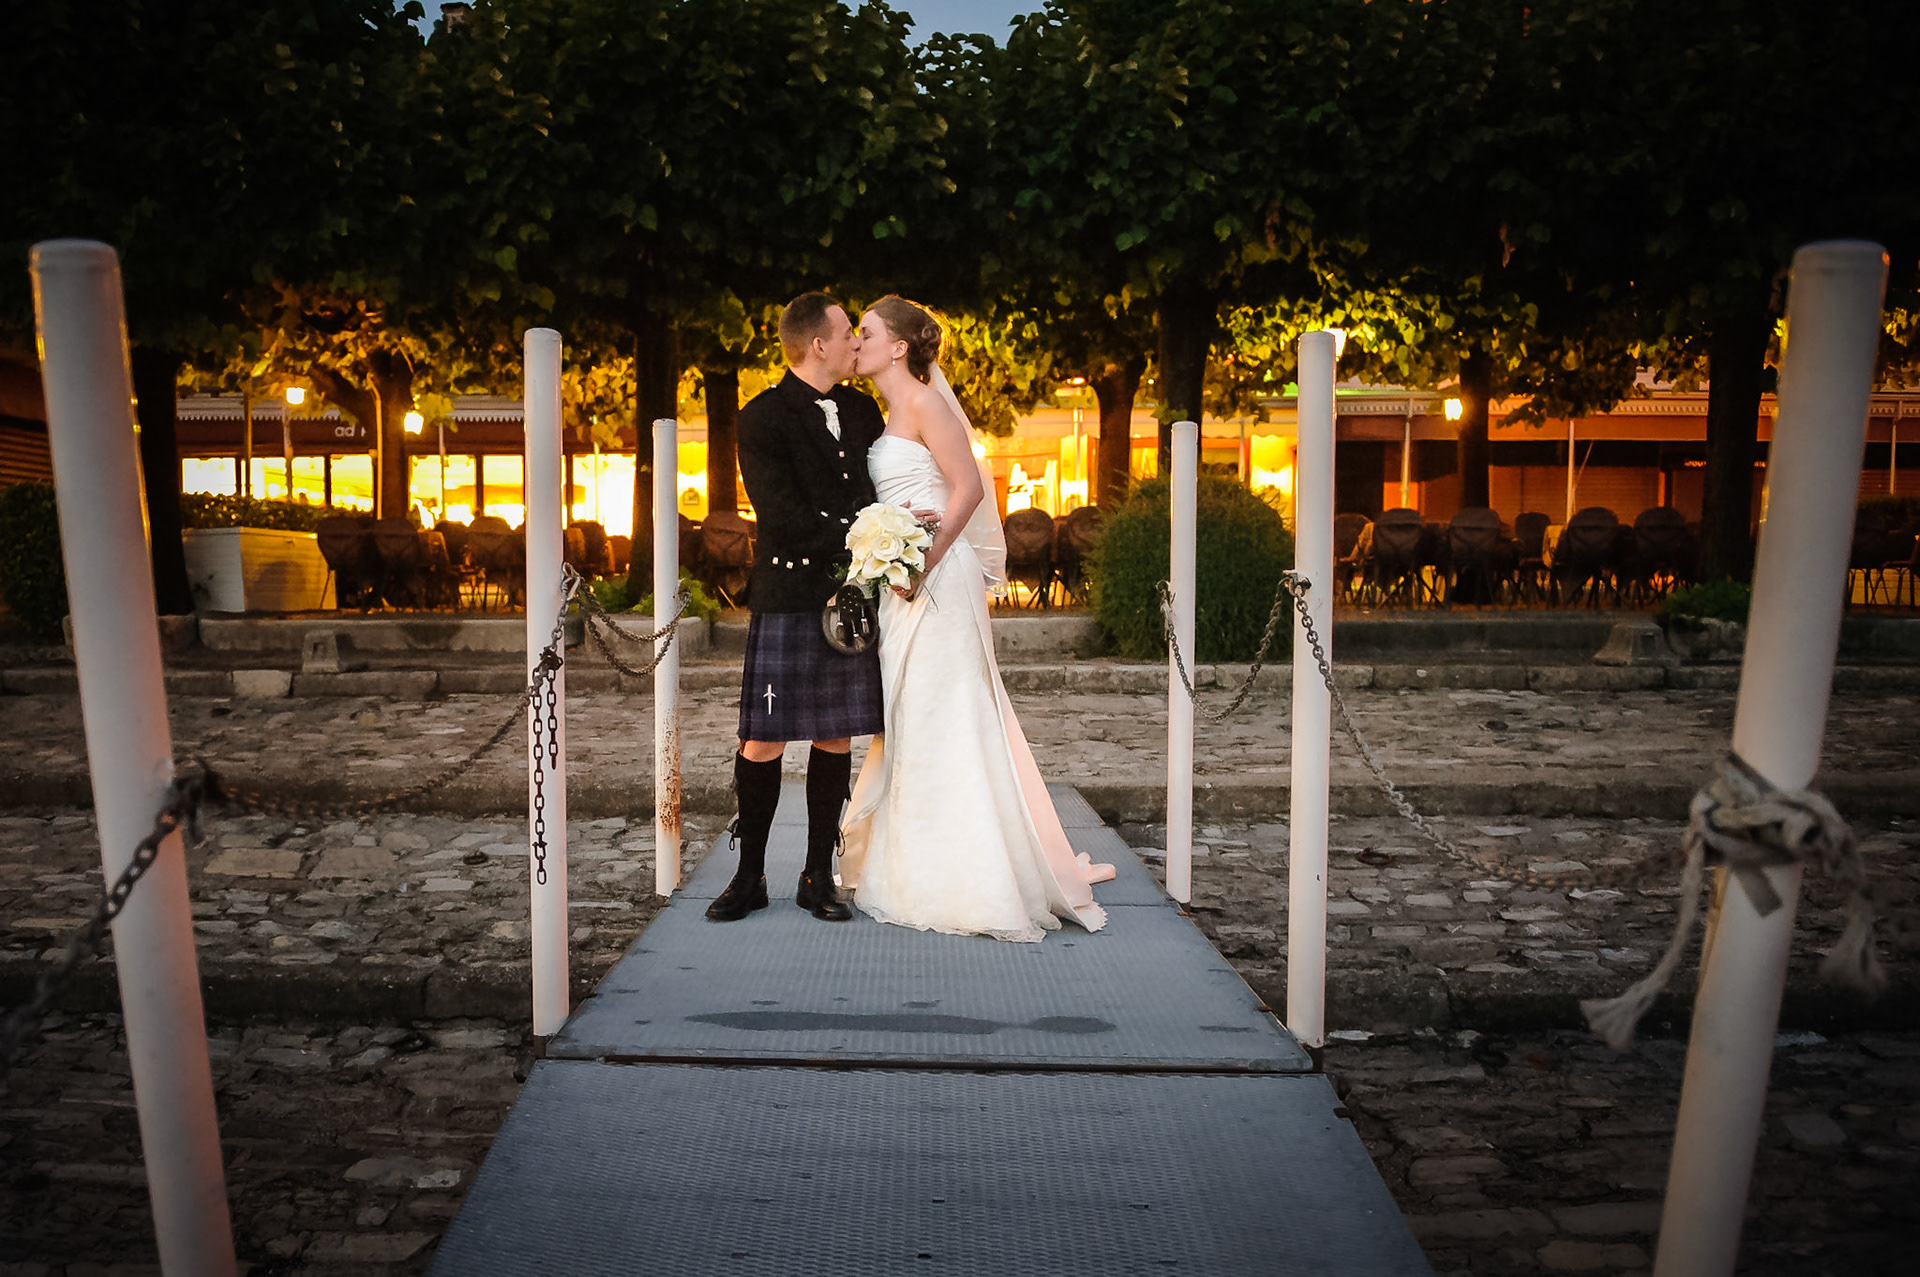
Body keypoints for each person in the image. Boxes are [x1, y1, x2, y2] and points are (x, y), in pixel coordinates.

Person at [839, 296, 1113, 942]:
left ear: (898, 346)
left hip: (937, 580)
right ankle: (911, 862)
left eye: (868, 331)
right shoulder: (887, 411)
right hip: (902, 580)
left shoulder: (928, 402)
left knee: (949, 712)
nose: (858, 339)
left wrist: (922, 562)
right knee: (910, 716)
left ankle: (972, 874)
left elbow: (967, 489)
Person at [706, 293, 885, 924]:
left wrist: (882, 532)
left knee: (834, 735)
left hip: (845, 599)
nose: (855, 343)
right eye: (847, 334)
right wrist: (865, 531)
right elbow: (778, 514)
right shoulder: (762, 417)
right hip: (787, 595)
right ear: (818, 343)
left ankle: (817, 876)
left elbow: (875, 489)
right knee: (761, 740)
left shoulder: (864, 412)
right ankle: (748, 875)